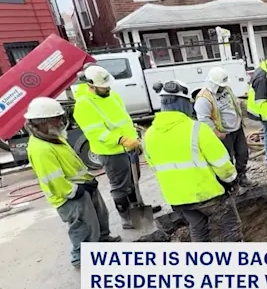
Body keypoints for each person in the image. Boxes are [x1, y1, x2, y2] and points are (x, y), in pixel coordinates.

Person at [25, 97, 121, 268]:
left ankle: (103, 244)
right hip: (70, 195)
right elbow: (53, 180)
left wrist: (88, 179)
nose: (60, 121)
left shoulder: (51, 136)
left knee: (99, 218)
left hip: (82, 185)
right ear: (43, 122)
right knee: (83, 227)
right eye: (56, 118)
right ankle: (82, 258)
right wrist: (76, 191)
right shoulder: (41, 149)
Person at [143, 80, 242, 243]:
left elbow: (155, 166)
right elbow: (222, 164)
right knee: (229, 225)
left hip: (178, 199)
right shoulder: (197, 129)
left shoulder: (149, 135)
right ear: (183, 103)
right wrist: (232, 181)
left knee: (198, 227)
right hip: (207, 194)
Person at [73, 65, 160, 229]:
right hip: (111, 151)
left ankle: (139, 211)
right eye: (103, 87)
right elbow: (96, 132)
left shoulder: (111, 95)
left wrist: (133, 138)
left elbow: (123, 119)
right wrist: (120, 139)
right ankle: (127, 218)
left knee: (134, 180)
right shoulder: (84, 104)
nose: (107, 89)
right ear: (91, 85)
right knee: (120, 186)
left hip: (129, 146)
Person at [194, 67, 253, 187]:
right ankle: (230, 184)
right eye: (220, 86)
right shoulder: (203, 98)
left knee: (242, 154)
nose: (222, 87)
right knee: (226, 160)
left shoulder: (227, 89)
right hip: (223, 133)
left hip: (237, 129)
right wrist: (217, 133)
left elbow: (234, 103)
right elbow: (204, 119)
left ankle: (241, 176)